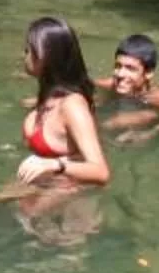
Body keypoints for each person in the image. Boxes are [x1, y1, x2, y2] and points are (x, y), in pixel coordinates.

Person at [7, 16, 111, 189]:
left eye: (28, 50)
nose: (24, 55)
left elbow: (101, 172)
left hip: (68, 205)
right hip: (43, 190)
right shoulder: (46, 101)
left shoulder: (72, 106)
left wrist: (56, 165)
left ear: (45, 57)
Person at [101, 33, 159, 140]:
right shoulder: (107, 85)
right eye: (118, 66)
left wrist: (150, 132)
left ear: (149, 73)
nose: (120, 74)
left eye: (130, 68)